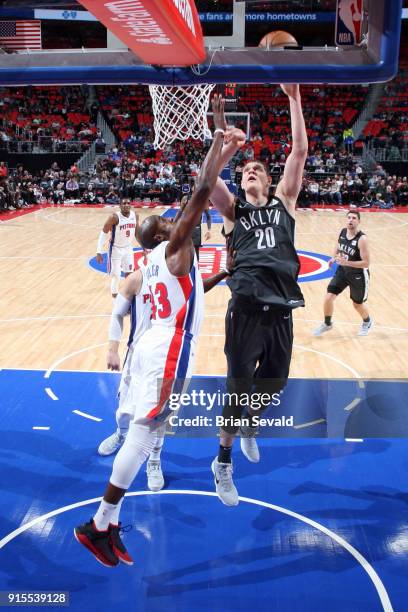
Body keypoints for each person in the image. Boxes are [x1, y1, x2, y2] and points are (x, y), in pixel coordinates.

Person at [74, 95, 228, 567]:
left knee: (143, 430)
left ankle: (109, 523)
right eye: (163, 221)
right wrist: (218, 137)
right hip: (169, 348)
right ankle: (99, 523)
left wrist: (221, 277)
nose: (169, 217)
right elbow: (201, 190)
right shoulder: (176, 247)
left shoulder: (158, 262)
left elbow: (192, 287)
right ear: (164, 234)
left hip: (151, 347)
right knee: (144, 434)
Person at [208, 84, 308, 506]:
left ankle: (251, 422)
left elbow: (298, 154)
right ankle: (223, 462)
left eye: (257, 169)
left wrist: (294, 97)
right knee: (238, 386)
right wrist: (224, 145)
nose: (250, 171)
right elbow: (208, 179)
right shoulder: (235, 211)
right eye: (245, 169)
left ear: (269, 180)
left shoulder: (284, 201)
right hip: (246, 306)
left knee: (275, 382)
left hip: (282, 308)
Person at [98, 249, 234, 492]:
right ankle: (121, 433)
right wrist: (112, 349)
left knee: (159, 417)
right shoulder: (136, 278)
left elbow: (197, 290)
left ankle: (154, 460)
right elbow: (117, 314)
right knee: (124, 410)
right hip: (138, 354)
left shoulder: (174, 278)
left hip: (164, 356)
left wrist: (224, 272)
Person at [313, 210, 373, 337]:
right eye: (349, 217)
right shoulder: (343, 232)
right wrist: (333, 257)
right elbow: (338, 245)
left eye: (354, 218)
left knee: (357, 304)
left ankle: (367, 322)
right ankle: (327, 323)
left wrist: (347, 263)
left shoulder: (362, 239)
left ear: (359, 221)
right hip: (343, 271)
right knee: (328, 297)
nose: (351, 220)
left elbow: (366, 263)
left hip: (358, 275)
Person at [96, 198, 138, 299]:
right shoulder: (114, 217)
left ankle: (128, 299)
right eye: (124, 203)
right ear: (120, 206)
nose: (126, 205)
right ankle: (116, 302)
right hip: (115, 249)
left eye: (128, 203)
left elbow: (137, 232)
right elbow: (104, 232)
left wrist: (144, 247)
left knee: (129, 274)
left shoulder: (135, 215)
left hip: (128, 248)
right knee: (116, 275)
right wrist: (99, 251)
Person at [175, 186, 211, 260]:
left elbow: (208, 216)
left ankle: (196, 269)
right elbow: (179, 212)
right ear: (192, 188)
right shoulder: (186, 198)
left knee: (196, 251)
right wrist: (173, 223)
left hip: (196, 229)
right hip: (185, 228)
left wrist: (209, 230)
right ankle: (185, 269)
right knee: (184, 250)